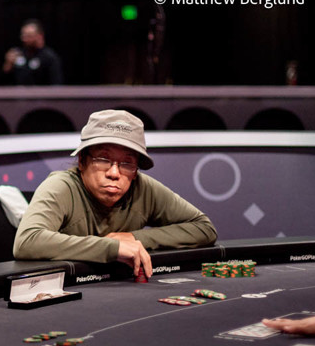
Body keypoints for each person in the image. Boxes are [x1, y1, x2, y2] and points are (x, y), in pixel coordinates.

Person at [13, 109, 217, 277]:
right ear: (82, 161)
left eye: (127, 163)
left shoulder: (143, 188)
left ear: (135, 171)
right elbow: (27, 241)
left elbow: (204, 228)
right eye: (103, 159)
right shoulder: (61, 186)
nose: (114, 173)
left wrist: (134, 238)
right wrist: (112, 248)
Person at [2, 19, 63, 86]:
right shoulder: (17, 54)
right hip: (19, 92)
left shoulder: (49, 57)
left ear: (40, 36)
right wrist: (8, 65)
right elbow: (5, 82)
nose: (24, 39)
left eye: (29, 36)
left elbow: (56, 84)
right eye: (23, 35)